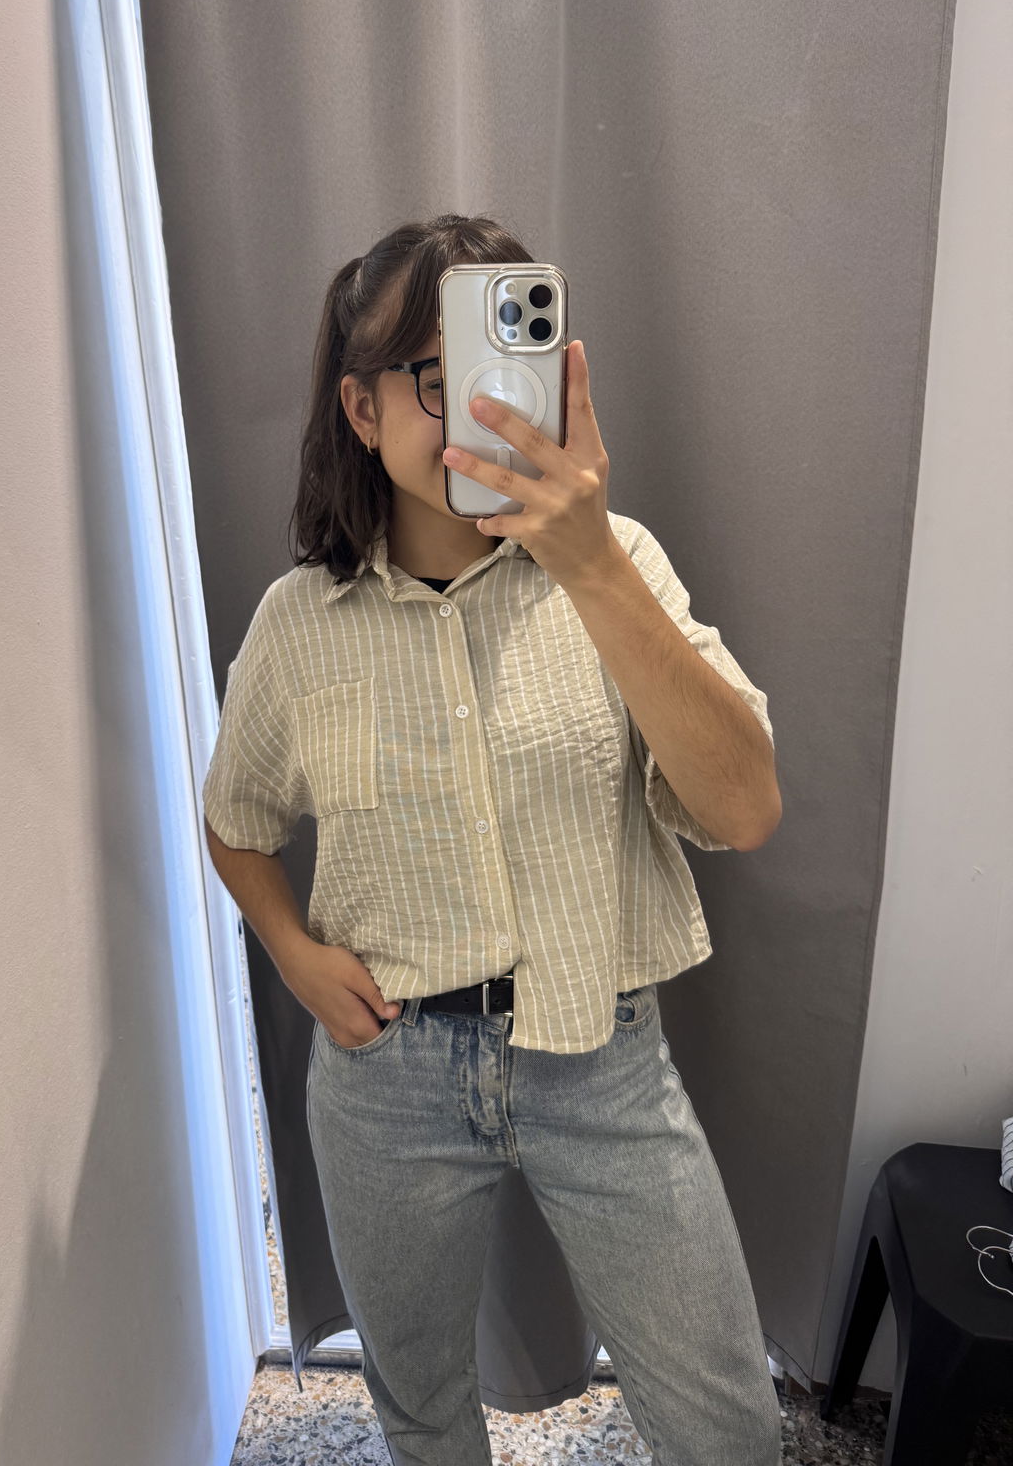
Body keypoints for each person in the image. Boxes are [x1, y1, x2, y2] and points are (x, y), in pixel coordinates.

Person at [203, 214, 784, 1465]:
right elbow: (235, 817)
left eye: (498, 359)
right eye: (431, 372)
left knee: (728, 1427)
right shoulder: (300, 622)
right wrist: (292, 951)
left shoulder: (622, 565)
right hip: (388, 1074)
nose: (473, 401)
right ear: (362, 411)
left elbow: (744, 809)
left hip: (600, 1053)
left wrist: (594, 568)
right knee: (420, 1410)